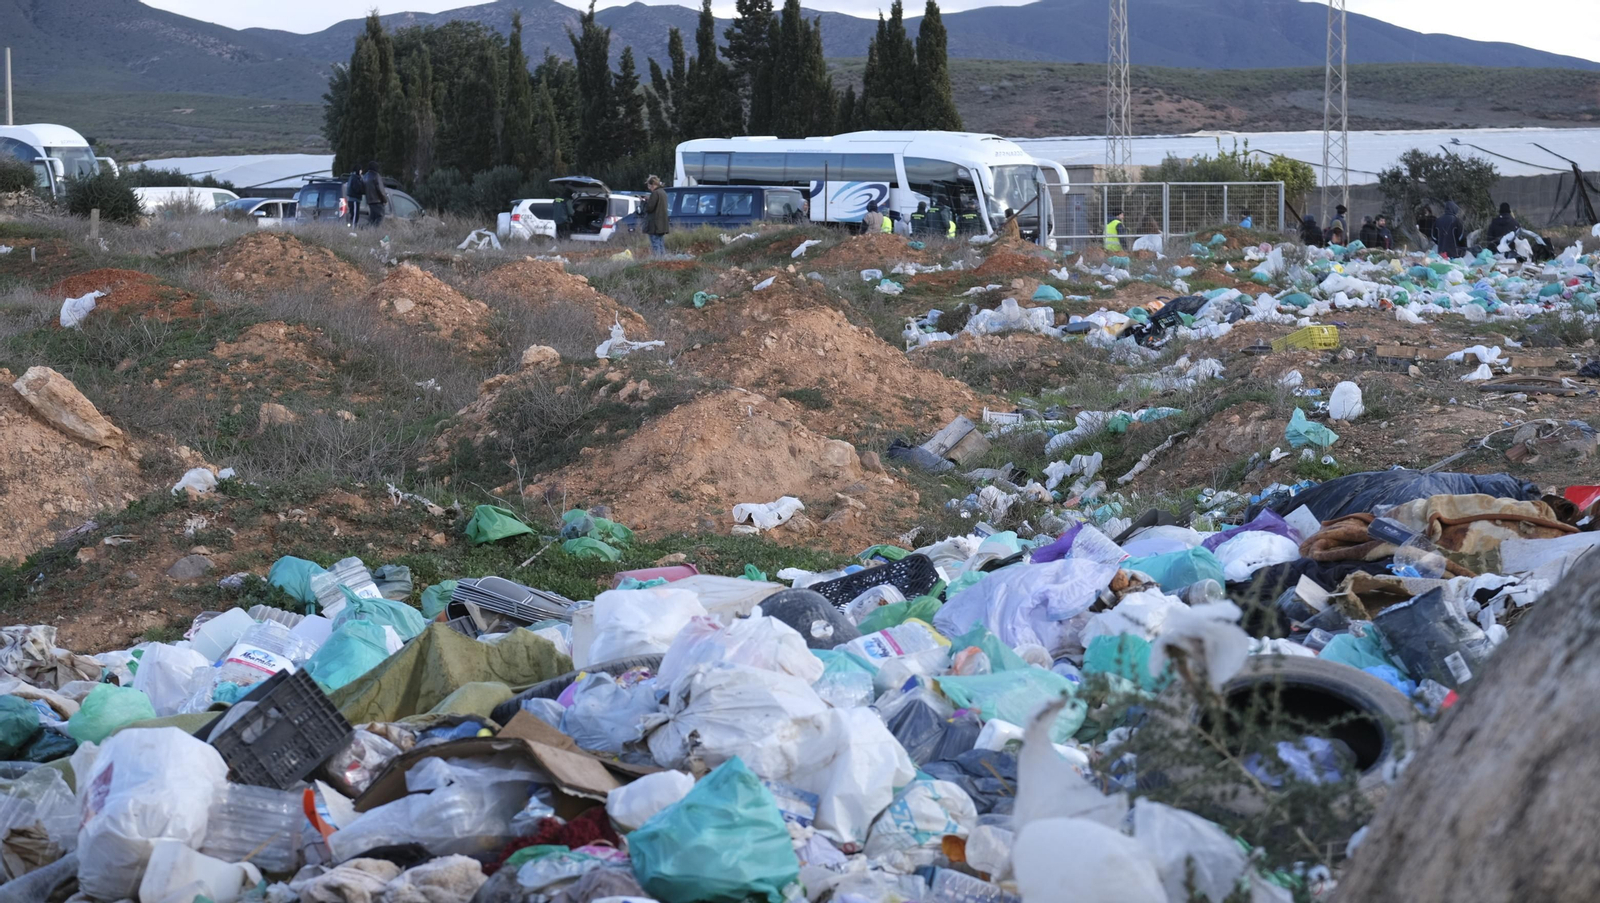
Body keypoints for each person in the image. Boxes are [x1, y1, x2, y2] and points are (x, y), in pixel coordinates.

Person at [643, 175, 669, 256]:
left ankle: (657, 260)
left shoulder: (655, 193)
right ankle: (663, 260)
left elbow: (649, 208)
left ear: (652, 185)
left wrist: (645, 202)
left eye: (649, 186)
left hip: (654, 225)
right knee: (661, 244)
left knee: (655, 244)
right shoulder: (663, 192)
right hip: (662, 224)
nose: (649, 188)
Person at [362, 161, 389, 228]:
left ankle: (368, 230)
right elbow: (380, 190)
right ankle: (374, 231)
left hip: (369, 201)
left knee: (372, 219)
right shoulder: (376, 176)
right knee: (379, 218)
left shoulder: (365, 176)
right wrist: (385, 200)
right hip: (377, 201)